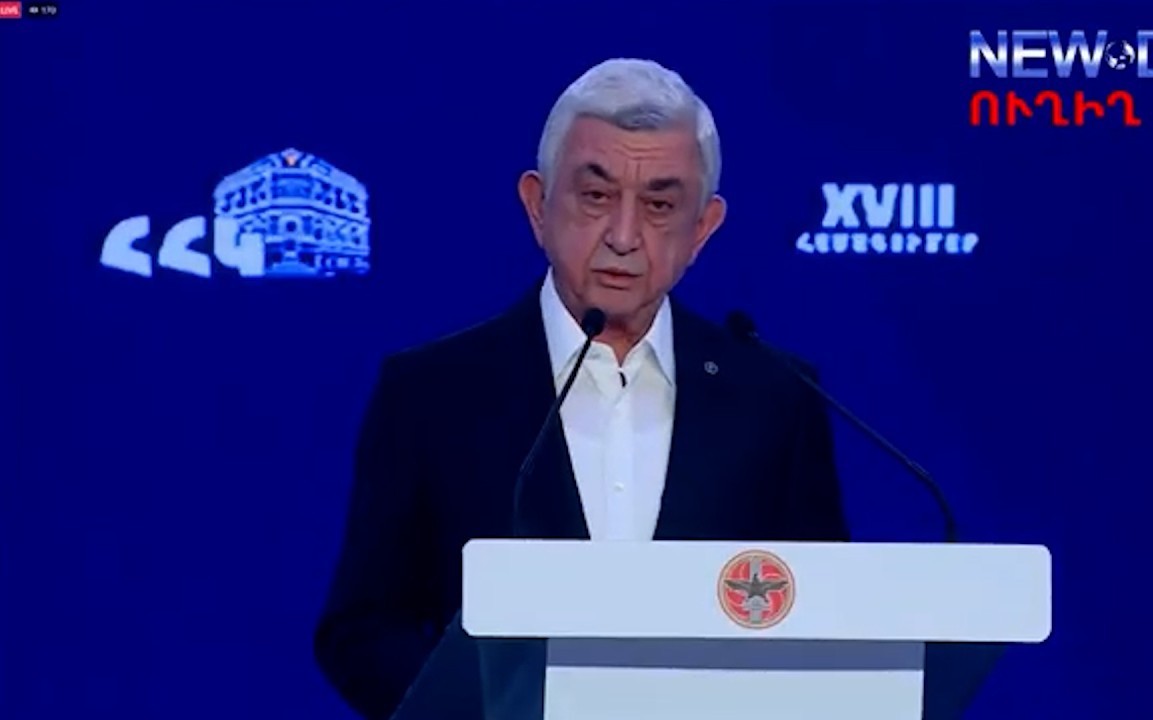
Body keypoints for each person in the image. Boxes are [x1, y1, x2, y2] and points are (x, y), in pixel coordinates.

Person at [314, 58, 996, 720]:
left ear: (703, 229)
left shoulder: (773, 398)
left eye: (660, 205)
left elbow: (818, 618)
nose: (623, 235)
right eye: (596, 196)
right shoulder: (432, 393)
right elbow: (363, 628)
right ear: (537, 206)